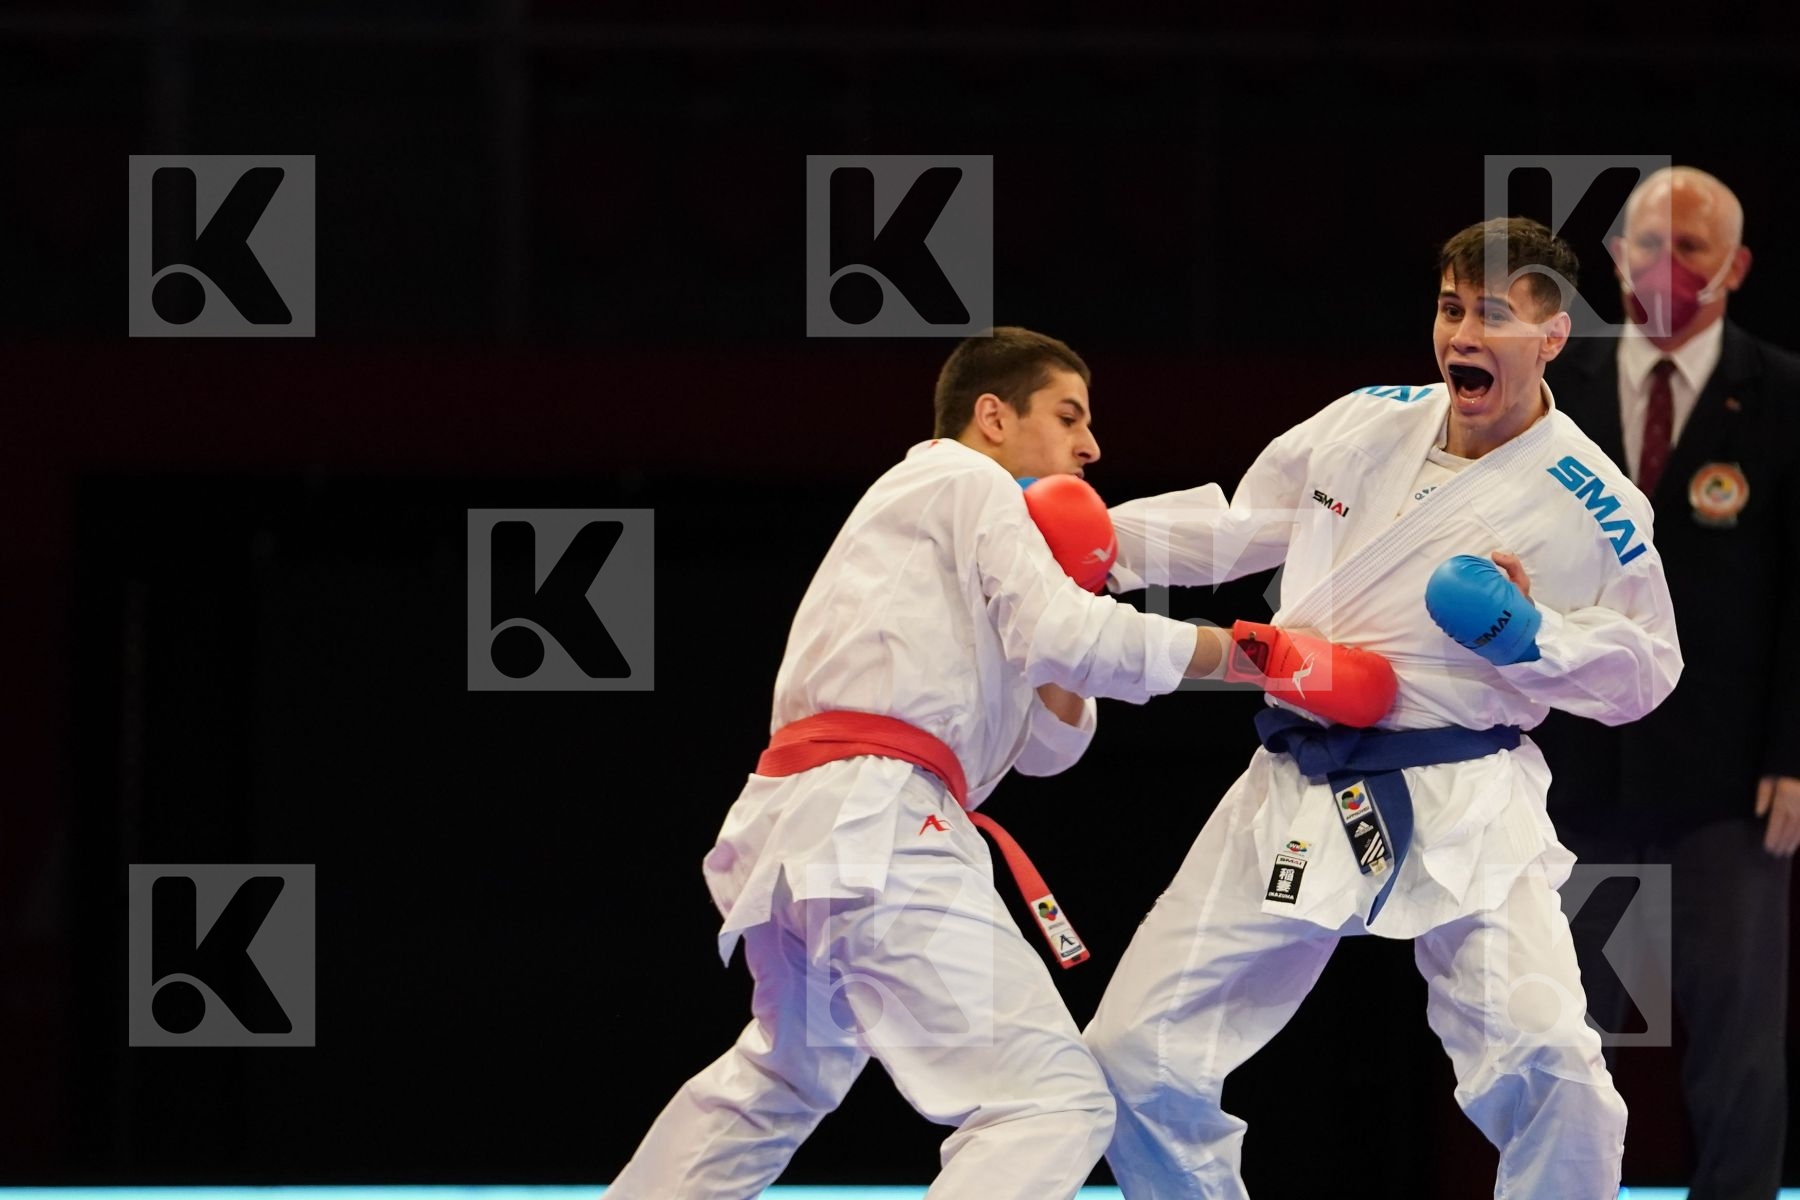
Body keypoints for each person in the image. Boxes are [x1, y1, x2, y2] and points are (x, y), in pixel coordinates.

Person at [1083, 218, 1683, 1198]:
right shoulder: (1365, 419)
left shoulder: (1596, 502)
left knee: (1556, 1069)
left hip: (1464, 800)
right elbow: (1240, 525)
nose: (1462, 336)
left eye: (1493, 314)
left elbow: (1647, 673)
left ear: (1552, 335)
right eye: (1451, 309)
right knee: (1127, 1052)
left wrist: (1537, 638)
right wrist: (1091, 546)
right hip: (1301, 777)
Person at [607, 327, 1253, 1200]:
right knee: (1050, 1103)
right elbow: (1071, 642)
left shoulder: (942, 523)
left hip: (813, 825)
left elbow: (1055, 746)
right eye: (1069, 417)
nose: (1092, 447)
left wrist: (1076, 582)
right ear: (992, 416)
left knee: (779, 1080)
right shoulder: (965, 479)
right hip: (879, 820)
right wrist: (1256, 654)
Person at [1532, 166, 1800, 1200]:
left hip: (1728, 779)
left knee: (1737, 1038)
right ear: (1612, 260)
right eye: (1647, 244)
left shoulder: (1782, 394)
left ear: (1733, 268)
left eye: (1691, 249)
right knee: (1558, 1029)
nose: (1664, 266)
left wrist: (1791, 756)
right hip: (1576, 766)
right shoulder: (1554, 393)